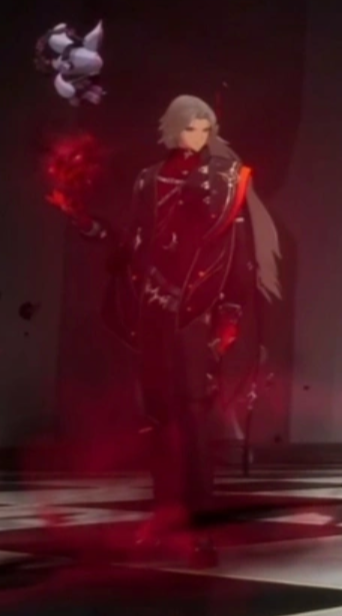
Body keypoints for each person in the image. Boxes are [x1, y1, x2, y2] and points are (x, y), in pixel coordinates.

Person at [75, 94, 281, 567]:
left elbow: (236, 252)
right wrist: (93, 229)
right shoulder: (148, 179)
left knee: (193, 420)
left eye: (206, 129)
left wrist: (228, 316)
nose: (200, 137)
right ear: (173, 129)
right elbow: (134, 238)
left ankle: (200, 528)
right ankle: (164, 518)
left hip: (195, 313)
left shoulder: (225, 181)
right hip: (153, 309)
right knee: (158, 417)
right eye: (192, 127)